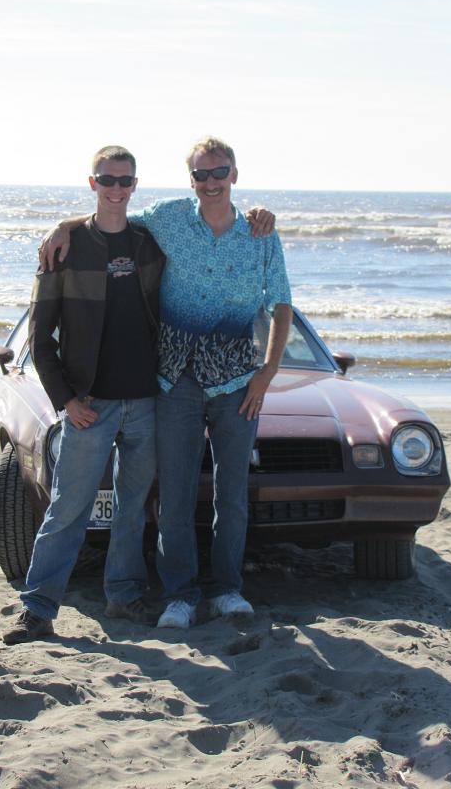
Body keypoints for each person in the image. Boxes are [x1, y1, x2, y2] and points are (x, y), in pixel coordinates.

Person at [40, 136, 292, 630]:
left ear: (234, 175)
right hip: (174, 381)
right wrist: (62, 225)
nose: (210, 182)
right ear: (190, 180)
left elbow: (281, 304)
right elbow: (112, 219)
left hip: (240, 382)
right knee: (173, 495)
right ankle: (180, 594)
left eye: (219, 173)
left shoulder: (261, 235)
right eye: (201, 175)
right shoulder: (169, 218)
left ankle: (226, 590)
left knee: (231, 495)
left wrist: (268, 371)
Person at [3, 145, 166, 645]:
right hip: (88, 406)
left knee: (132, 507)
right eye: (106, 179)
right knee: (68, 507)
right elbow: (39, 335)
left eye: (125, 180)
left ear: (135, 185)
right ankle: (38, 609)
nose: (116, 189)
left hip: (144, 403)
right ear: (91, 182)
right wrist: (66, 400)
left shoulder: (149, 243)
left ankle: (122, 594)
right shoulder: (65, 250)